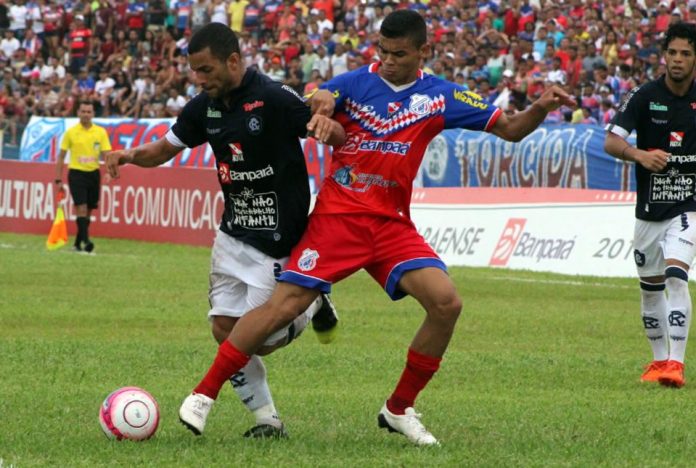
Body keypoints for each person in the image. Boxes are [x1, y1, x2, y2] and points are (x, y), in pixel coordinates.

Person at [178, 10, 575, 446]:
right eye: (381, 51)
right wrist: (322, 105)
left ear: (423, 51)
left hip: (391, 225)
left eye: (399, 53)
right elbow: (314, 100)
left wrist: (540, 106)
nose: (387, 60)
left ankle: (399, 409)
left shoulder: (441, 96)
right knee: (282, 306)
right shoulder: (351, 83)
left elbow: (513, 129)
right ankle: (203, 395)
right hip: (338, 218)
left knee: (446, 304)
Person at [104, 23, 346, 438]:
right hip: (233, 235)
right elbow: (164, 149)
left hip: (277, 242)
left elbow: (332, 130)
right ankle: (267, 421)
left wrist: (328, 122)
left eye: (206, 69)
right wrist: (128, 154)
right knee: (224, 330)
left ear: (233, 61)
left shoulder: (273, 98)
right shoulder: (204, 107)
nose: (199, 79)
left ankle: (312, 301)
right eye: (195, 71)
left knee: (261, 339)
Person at [604, 22, 696, 389]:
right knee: (649, 287)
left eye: (686, 54)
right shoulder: (643, 96)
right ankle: (659, 362)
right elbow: (611, 140)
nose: (677, 60)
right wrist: (639, 155)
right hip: (649, 211)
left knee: (676, 276)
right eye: (672, 52)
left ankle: (676, 363)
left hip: (689, 207)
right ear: (664, 56)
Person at [55, 100, 112, 253]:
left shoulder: (100, 132)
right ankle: (86, 242)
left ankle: (77, 244)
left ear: (93, 114)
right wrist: (58, 179)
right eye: (83, 111)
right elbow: (61, 156)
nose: (86, 114)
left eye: (89, 112)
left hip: (93, 174)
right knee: (81, 207)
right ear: (78, 113)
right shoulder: (71, 132)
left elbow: (107, 154)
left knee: (88, 211)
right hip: (76, 173)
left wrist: (109, 171)